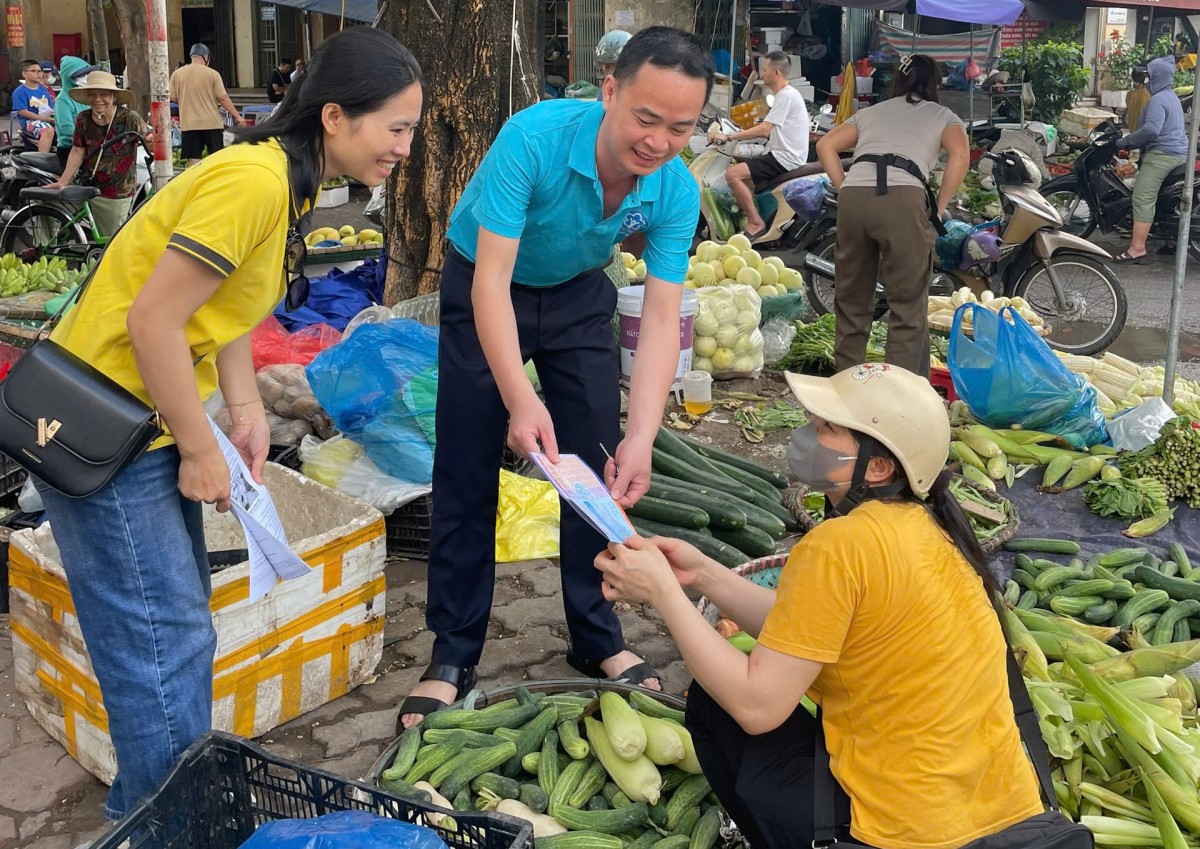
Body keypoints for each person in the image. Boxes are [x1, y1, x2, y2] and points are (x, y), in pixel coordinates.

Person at [35, 27, 423, 821]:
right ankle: (168, 823)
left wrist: (243, 409)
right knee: (160, 642)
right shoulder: (255, 182)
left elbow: (226, 308)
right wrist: (201, 444)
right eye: (398, 127)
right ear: (338, 116)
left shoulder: (292, 178)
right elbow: (154, 323)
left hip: (145, 419)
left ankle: (157, 807)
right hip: (106, 428)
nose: (405, 148)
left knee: (176, 635)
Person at [396, 26, 714, 728]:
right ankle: (453, 652)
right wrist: (519, 397)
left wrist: (643, 434)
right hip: (486, 283)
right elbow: (492, 283)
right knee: (466, 465)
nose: (659, 141)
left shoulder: (676, 190)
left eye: (682, 128)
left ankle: (597, 639)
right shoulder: (533, 139)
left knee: (597, 473)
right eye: (645, 118)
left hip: (576, 293)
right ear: (609, 91)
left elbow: (662, 318)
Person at [594, 363, 1045, 849]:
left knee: (716, 704)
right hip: (995, 810)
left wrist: (663, 592)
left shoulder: (839, 544)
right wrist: (703, 573)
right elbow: (802, 629)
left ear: (877, 467)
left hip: (906, 833)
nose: (806, 436)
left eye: (824, 428)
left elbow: (756, 707)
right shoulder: (930, 530)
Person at [816, 54, 969, 378]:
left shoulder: (870, 112)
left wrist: (845, 189)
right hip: (903, 196)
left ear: (897, 82)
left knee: (852, 300)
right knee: (906, 304)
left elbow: (826, 144)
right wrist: (939, 206)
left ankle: (847, 387)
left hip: (856, 195)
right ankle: (899, 397)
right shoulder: (943, 115)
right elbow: (960, 154)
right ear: (935, 84)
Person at [712, 52, 811, 240]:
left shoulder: (786, 96)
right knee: (745, 177)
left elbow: (764, 130)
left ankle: (756, 222)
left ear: (776, 73)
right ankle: (748, 217)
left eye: (765, 70)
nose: (762, 73)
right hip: (782, 154)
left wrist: (730, 136)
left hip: (784, 158)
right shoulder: (786, 95)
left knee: (732, 175)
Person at [45, 71, 147, 238]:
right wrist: (63, 180)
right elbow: (78, 150)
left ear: (113, 96)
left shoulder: (129, 118)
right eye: (92, 94)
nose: (97, 99)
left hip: (117, 190)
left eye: (103, 94)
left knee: (113, 240)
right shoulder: (83, 119)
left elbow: (147, 140)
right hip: (88, 184)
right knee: (50, 203)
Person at [1112, 55, 1189, 263]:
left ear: (1156, 77)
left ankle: (1137, 248)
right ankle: (1171, 242)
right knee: (1164, 198)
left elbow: (1151, 130)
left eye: (1150, 76)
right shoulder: (1171, 96)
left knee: (1142, 197)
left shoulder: (1158, 99)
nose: (1147, 80)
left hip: (1162, 155)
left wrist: (1125, 142)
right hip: (1178, 154)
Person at [170, 43, 246, 166]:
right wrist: (238, 117)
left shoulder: (177, 74)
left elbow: (172, 97)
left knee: (193, 160)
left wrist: (187, 99)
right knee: (216, 158)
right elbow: (222, 98)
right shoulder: (212, 74)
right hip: (211, 124)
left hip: (189, 124)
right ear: (206, 57)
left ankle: (195, 183)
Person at [53, 57, 99, 168]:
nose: (86, 78)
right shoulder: (62, 100)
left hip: (92, 146)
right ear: (68, 78)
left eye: (87, 74)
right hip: (70, 148)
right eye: (81, 75)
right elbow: (66, 128)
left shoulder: (86, 96)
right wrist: (91, 136)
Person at [13, 59, 56, 152]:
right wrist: (43, 118)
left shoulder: (44, 90)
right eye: (33, 71)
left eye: (39, 71)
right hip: (30, 122)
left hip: (47, 119)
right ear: (24, 74)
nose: (38, 74)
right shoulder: (20, 92)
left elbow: (51, 107)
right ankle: (42, 159)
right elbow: (22, 112)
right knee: (48, 130)